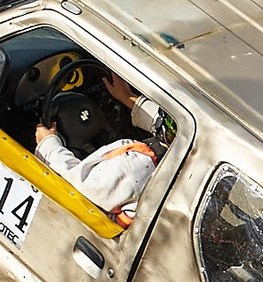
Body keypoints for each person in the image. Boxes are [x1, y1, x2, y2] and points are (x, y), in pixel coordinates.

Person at [37, 73, 167, 224]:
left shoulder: (135, 168)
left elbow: (75, 182)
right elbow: (175, 127)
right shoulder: (176, 155)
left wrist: (48, 144)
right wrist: (128, 98)